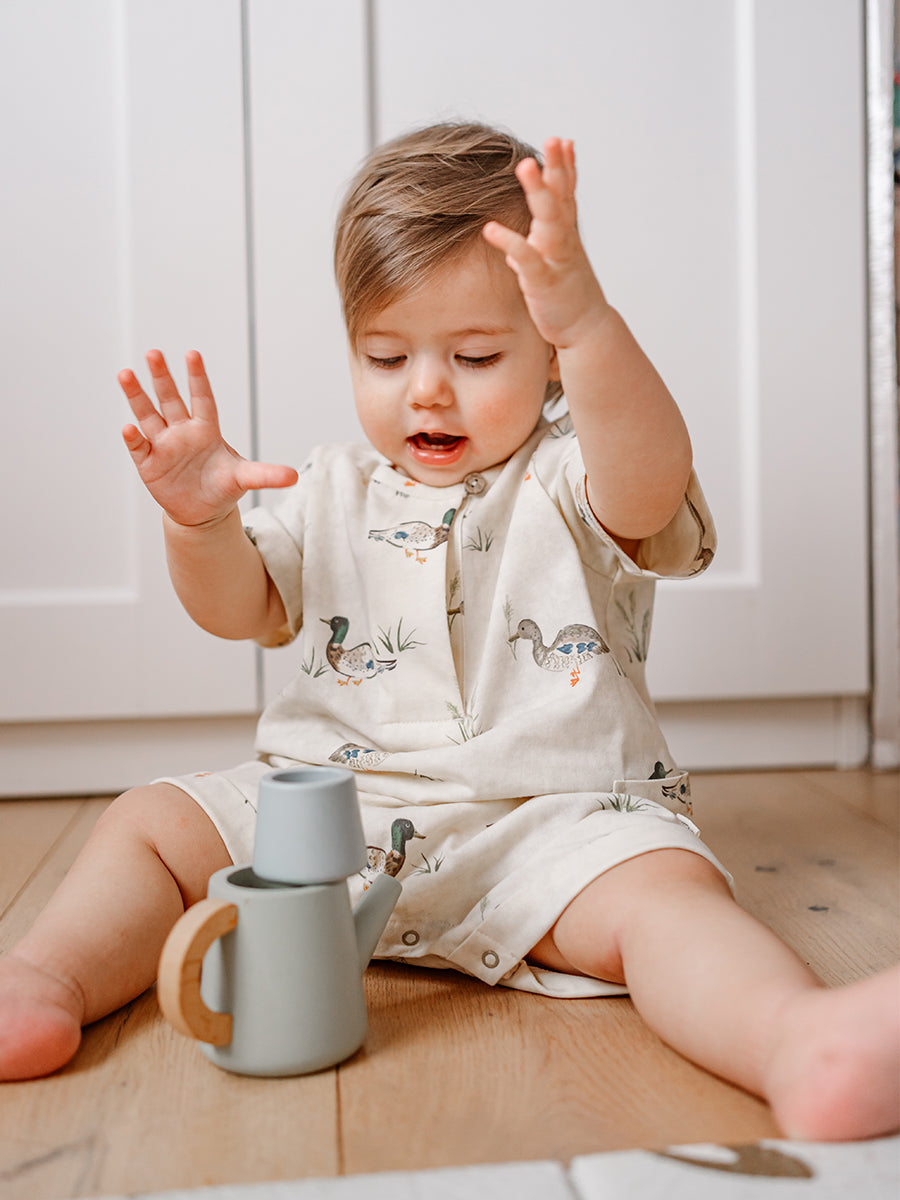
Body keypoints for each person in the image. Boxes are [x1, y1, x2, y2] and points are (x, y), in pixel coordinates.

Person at [1, 123, 897, 1141]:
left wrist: (590, 325)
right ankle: (43, 978)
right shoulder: (327, 487)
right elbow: (236, 609)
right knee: (148, 823)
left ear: (548, 357)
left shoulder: (574, 473)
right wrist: (198, 523)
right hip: (327, 828)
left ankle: (796, 1043)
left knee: (666, 898)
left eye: (475, 355)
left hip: (551, 827)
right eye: (386, 355)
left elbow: (650, 488)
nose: (426, 387)